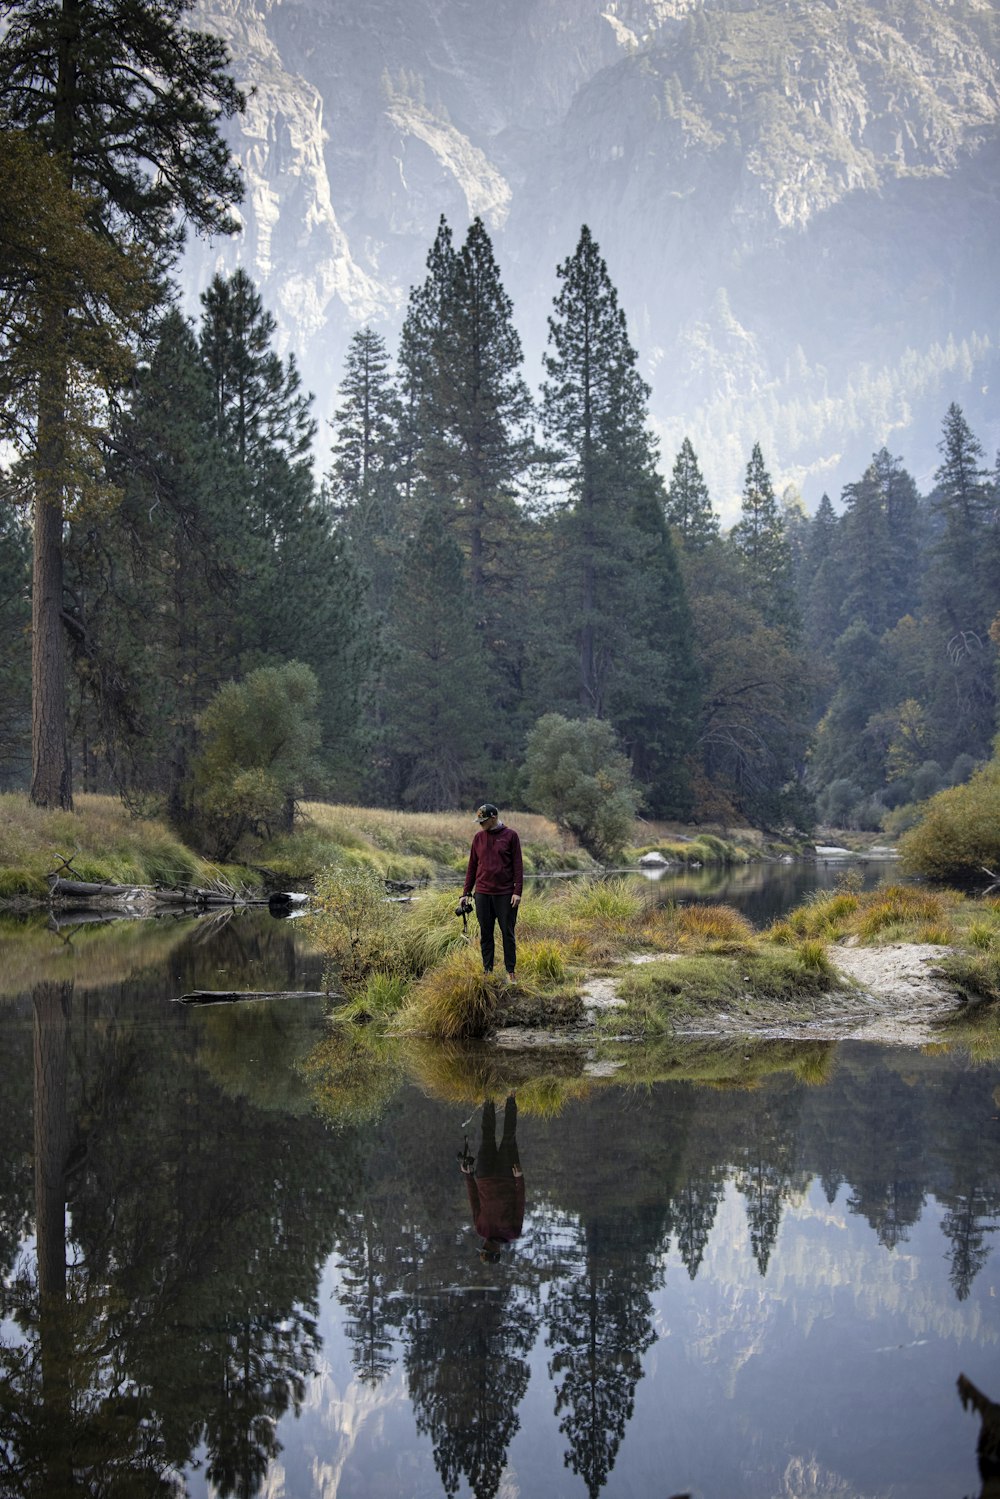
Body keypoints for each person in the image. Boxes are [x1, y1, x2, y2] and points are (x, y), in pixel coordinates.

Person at [462, 803, 523, 982]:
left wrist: (517, 891)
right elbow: (472, 867)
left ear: (494, 817)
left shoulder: (511, 836)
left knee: (508, 933)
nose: (480, 824)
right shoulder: (478, 838)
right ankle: (487, 971)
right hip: (482, 893)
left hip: (505, 894)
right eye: (479, 821)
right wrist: (465, 893)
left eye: (483, 821)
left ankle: (510, 972)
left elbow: (518, 867)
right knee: (486, 934)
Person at [460, 1096, 524, 1261]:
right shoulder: (513, 1232)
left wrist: (467, 1175)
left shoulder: (481, 1229)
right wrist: (519, 1178)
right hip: (507, 1176)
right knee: (509, 1136)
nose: (485, 1245)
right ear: (497, 1251)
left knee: (487, 1133)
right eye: (487, 1249)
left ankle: (490, 1095)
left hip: (484, 1175)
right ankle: (511, 1095)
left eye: (483, 1248)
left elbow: (473, 1199)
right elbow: (520, 1202)